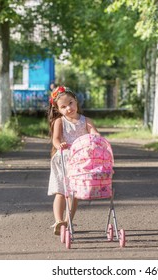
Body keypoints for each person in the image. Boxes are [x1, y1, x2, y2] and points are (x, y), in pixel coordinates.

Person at [47, 85, 99, 235]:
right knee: (61, 191)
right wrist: (60, 145)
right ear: (58, 109)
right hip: (63, 159)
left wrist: (95, 137)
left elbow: (93, 132)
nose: (68, 108)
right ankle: (59, 221)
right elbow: (55, 139)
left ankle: (69, 220)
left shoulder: (86, 120)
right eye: (63, 107)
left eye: (70, 103)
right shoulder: (60, 122)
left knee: (74, 192)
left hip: (80, 161)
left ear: (75, 101)